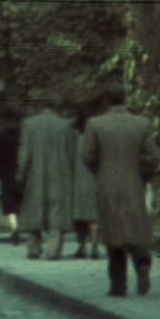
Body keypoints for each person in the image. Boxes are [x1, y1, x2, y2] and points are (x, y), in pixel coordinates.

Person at [82, 82, 160, 297]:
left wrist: (99, 171)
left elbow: (88, 156)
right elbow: (153, 158)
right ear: (125, 98)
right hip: (134, 182)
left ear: (106, 100)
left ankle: (118, 285)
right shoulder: (142, 123)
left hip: (107, 183)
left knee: (113, 233)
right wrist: (143, 176)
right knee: (134, 227)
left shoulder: (95, 124)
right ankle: (142, 262)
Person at [16, 89, 77, 260]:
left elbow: (25, 153)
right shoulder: (65, 125)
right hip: (60, 174)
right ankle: (53, 249)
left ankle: (34, 248)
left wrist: (20, 174)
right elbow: (71, 154)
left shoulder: (29, 124)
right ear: (55, 105)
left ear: (40, 105)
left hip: (36, 173)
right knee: (56, 210)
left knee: (34, 209)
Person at [70, 100, 103, 259]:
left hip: (77, 180)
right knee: (94, 216)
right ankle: (95, 246)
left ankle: (82, 246)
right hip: (94, 179)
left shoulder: (75, 138)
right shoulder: (98, 138)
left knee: (79, 217)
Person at [0, 108, 24, 245]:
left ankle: (14, 226)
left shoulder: (1, 136)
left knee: (9, 202)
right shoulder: (23, 136)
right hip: (22, 172)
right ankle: (22, 225)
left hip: (7, 173)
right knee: (21, 200)